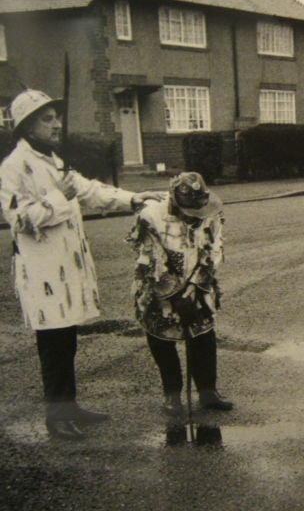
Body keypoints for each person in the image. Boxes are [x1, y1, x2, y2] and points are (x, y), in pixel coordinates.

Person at [0, 89, 163, 441]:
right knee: (54, 345)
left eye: (56, 116)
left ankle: (69, 407)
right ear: (27, 127)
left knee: (67, 340)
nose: (56, 123)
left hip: (66, 269)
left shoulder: (53, 160)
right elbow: (19, 219)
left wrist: (134, 198)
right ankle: (56, 418)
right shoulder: (14, 167)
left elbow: (90, 190)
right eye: (47, 118)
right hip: (43, 273)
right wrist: (61, 197)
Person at [127, 171, 233, 416]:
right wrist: (174, 295)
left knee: (203, 334)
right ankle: (172, 395)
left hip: (198, 283)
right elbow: (151, 259)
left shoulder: (212, 210)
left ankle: (208, 392)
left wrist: (196, 286)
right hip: (159, 286)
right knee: (162, 339)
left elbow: (214, 247)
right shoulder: (150, 216)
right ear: (175, 201)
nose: (194, 217)